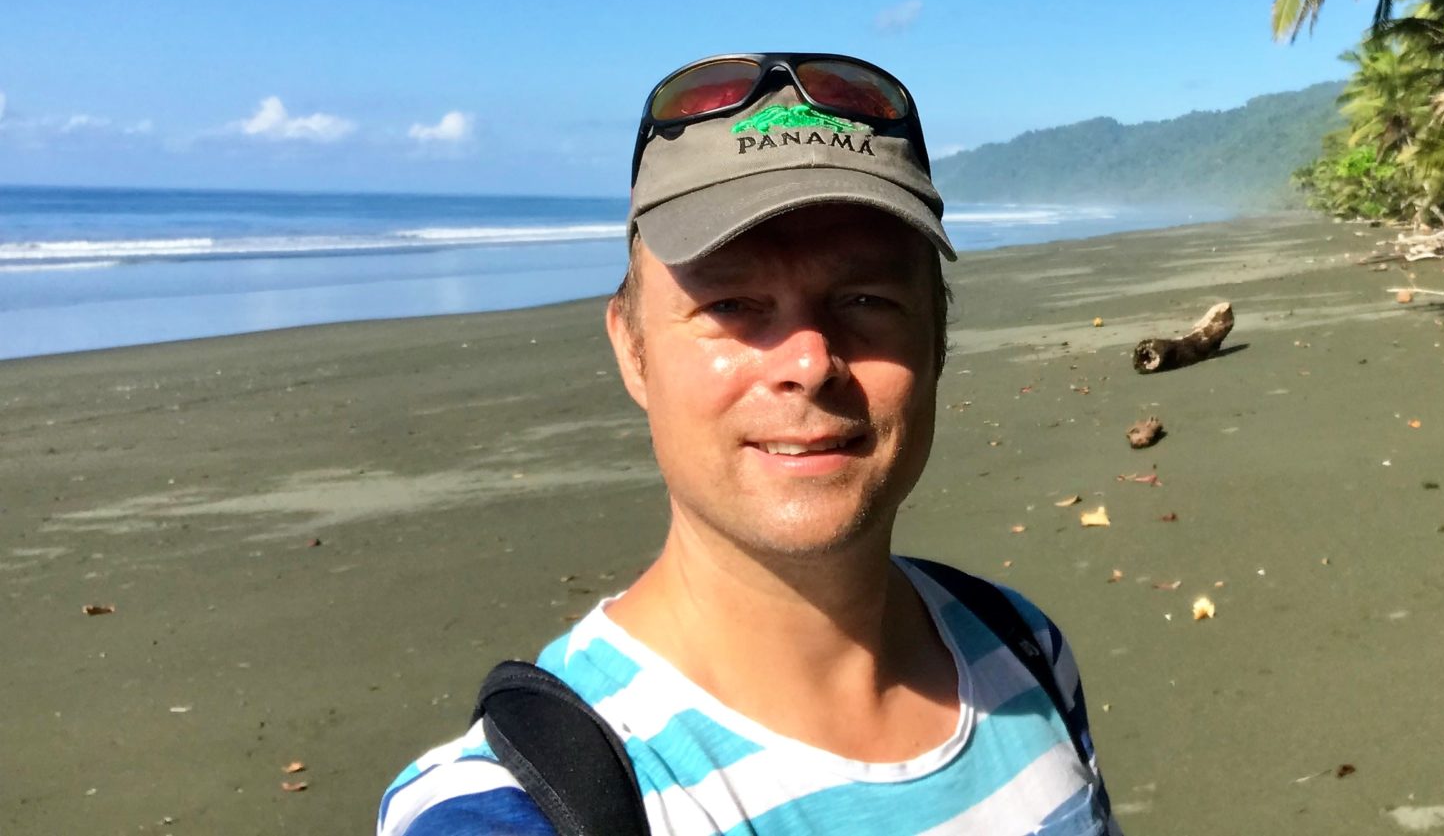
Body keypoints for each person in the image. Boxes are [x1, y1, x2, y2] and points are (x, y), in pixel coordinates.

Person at [379, 53, 1121, 834]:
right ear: (632, 349)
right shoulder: (531, 795)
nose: (809, 362)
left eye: (867, 298)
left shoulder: (1021, 645)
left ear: (937, 336)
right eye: (732, 303)